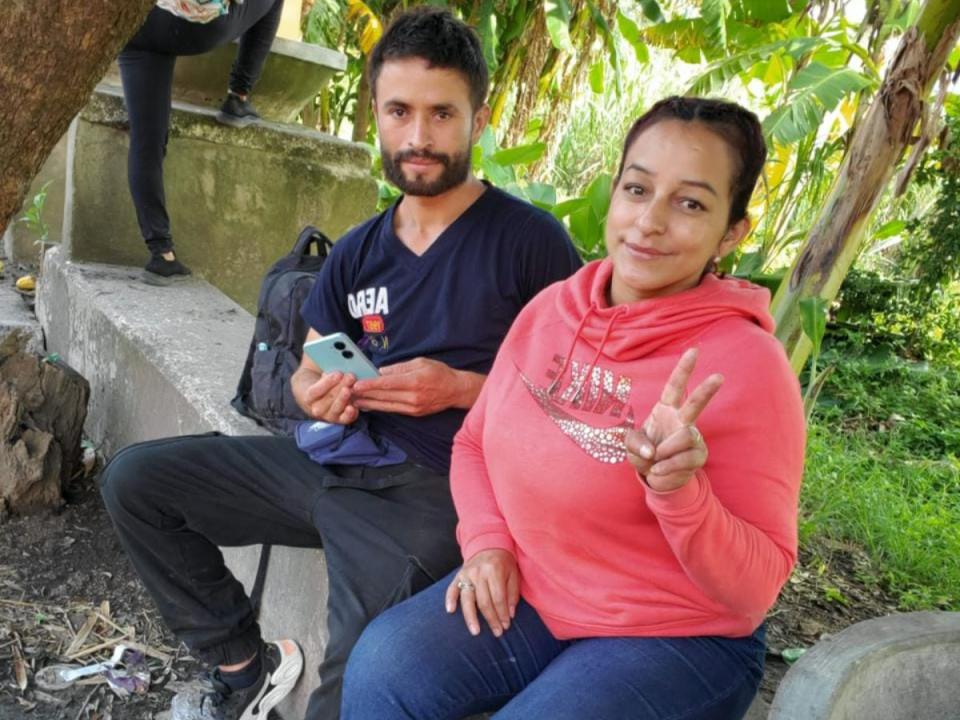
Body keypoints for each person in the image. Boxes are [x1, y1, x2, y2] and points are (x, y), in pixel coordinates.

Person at [98, 7, 582, 720]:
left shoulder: (531, 243)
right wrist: (316, 392)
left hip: (434, 493)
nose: (418, 137)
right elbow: (306, 366)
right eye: (399, 111)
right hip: (330, 458)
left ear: (479, 118)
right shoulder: (357, 252)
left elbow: (584, 399)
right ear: (376, 113)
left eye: (442, 113)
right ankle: (242, 670)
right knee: (137, 482)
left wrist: (468, 388)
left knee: (353, 692)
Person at [341, 96, 807, 720]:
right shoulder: (551, 310)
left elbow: (755, 590)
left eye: (690, 203)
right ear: (614, 193)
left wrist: (679, 493)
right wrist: (485, 544)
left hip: (676, 633)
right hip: (535, 589)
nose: (650, 222)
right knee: (383, 666)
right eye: (638, 189)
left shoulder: (748, 364)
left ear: (732, 232)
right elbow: (474, 443)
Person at [117, 0, 286, 286]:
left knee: (146, 140)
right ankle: (238, 96)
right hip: (189, 23)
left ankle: (162, 254)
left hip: (133, 25)